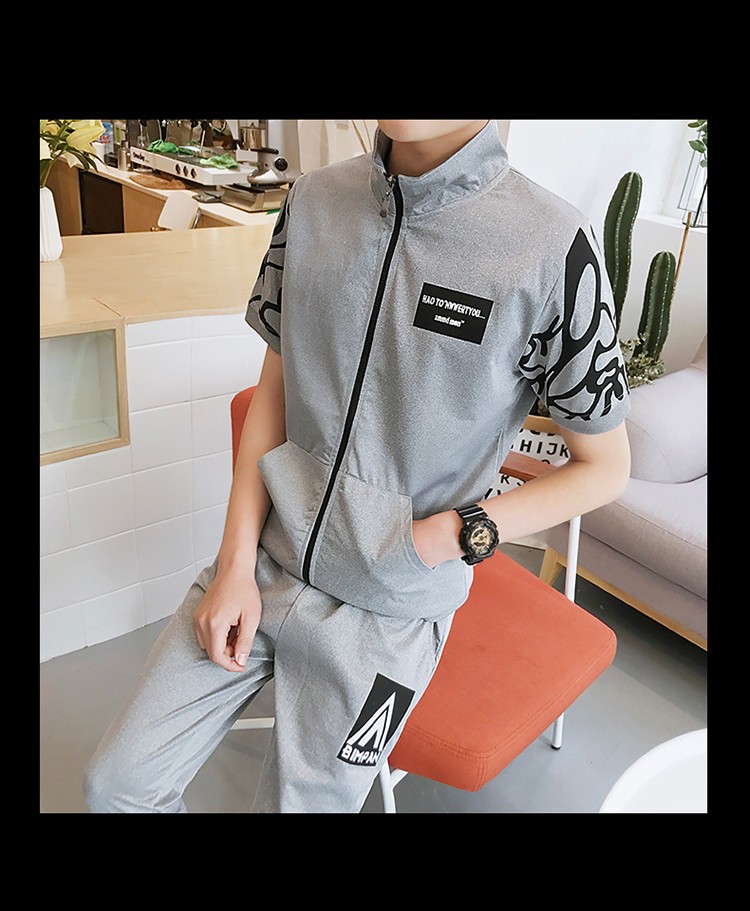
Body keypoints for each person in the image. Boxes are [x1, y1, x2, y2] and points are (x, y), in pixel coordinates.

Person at [84, 120, 631, 813]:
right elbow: (273, 393)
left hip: (389, 613)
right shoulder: (312, 201)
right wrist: (233, 565)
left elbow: (605, 465)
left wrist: (450, 535)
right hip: (264, 564)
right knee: (118, 785)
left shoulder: (553, 246)